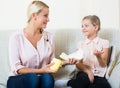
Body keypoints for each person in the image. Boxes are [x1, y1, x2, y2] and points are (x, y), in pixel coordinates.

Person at [7, 1, 78, 88]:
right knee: (33, 78)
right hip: (18, 80)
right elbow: (17, 68)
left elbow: (52, 63)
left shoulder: (49, 37)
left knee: (48, 78)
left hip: (40, 79)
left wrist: (66, 62)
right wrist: (40, 71)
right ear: (34, 16)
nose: (48, 19)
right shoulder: (16, 37)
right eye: (45, 15)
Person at [67, 15, 111, 88]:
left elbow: (103, 64)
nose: (83, 28)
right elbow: (78, 63)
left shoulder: (104, 43)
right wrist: (88, 71)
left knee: (105, 86)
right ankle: (70, 82)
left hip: (98, 75)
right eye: (82, 26)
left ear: (96, 27)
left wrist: (98, 56)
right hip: (84, 73)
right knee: (82, 82)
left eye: (86, 26)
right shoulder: (81, 44)